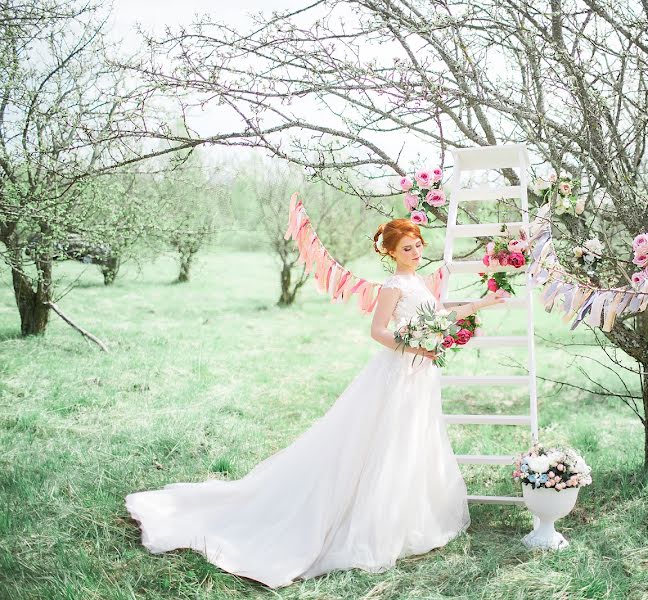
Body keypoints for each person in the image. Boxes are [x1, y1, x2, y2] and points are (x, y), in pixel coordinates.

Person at [125, 218, 507, 588]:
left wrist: (483, 304)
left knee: (414, 440)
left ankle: (409, 517)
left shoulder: (419, 281)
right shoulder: (393, 285)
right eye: (407, 248)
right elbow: (377, 332)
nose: (416, 252)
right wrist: (415, 347)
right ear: (391, 253)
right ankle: (367, 522)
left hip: (420, 374)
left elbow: (439, 317)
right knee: (385, 441)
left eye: (418, 245)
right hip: (398, 372)